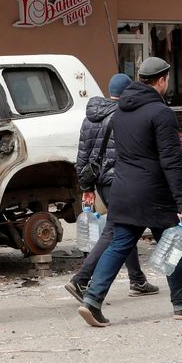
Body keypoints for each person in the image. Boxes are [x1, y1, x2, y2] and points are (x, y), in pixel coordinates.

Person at [77, 57, 182, 327]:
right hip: (153, 192)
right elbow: (171, 161)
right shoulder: (161, 113)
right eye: (167, 80)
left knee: (118, 245)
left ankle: (92, 300)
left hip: (123, 188)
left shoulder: (121, 111)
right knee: (174, 243)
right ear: (161, 81)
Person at [65, 73, 159, 303]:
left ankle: (137, 280)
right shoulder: (123, 116)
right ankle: (81, 279)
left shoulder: (90, 117)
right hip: (120, 180)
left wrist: (86, 187)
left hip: (99, 180)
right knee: (116, 230)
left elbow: (82, 156)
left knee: (126, 229)